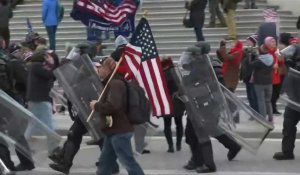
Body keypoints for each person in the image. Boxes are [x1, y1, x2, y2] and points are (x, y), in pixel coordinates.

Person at [90, 57, 145, 175]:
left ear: (107, 68)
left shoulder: (115, 84)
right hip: (113, 130)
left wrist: (97, 106)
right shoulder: (111, 83)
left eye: (99, 68)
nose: (97, 71)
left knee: (128, 162)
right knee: (104, 164)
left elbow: (113, 106)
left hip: (119, 131)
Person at [273, 35, 300, 160]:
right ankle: (287, 152)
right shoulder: (295, 49)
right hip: (294, 96)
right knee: (288, 124)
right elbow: (280, 54)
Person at [160, 57, 184, 153]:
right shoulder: (175, 72)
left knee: (167, 124)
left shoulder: (161, 74)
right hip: (177, 101)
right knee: (179, 124)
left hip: (166, 102)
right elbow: (182, 86)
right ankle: (178, 144)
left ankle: (170, 146)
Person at [250, 37, 275, 122]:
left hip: (259, 83)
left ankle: (263, 118)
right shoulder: (272, 58)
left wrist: (253, 56)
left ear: (260, 51)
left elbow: (250, 64)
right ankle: (271, 117)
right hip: (269, 82)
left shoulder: (259, 61)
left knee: (261, 100)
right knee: (268, 101)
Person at [240, 35, 259, 112]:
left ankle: (256, 111)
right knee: (249, 95)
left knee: (253, 95)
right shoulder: (245, 51)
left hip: (253, 76)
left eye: (250, 41)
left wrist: (251, 53)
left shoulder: (255, 52)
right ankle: (252, 111)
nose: (248, 42)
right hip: (246, 76)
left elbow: (252, 63)